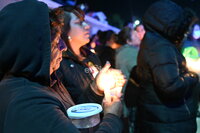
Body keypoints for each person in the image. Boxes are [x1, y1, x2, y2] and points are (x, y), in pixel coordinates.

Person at [0, 1, 125, 133]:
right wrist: (112, 117)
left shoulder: (47, 80)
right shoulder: (30, 102)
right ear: (33, 49)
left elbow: (71, 112)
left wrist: (96, 87)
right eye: (55, 42)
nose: (63, 47)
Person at [134, 0, 199, 133]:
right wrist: (193, 76)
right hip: (168, 122)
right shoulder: (161, 46)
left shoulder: (154, 41)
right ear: (169, 25)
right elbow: (170, 86)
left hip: (163, 119)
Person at [57, 6, 125, 104]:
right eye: (79, 23)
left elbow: (101, 84)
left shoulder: (91, 56)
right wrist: (95, 88)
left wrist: (112, 82)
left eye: (84, 21)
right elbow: (71, 106)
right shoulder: (59, 63)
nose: (87, 26)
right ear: (64, 29)